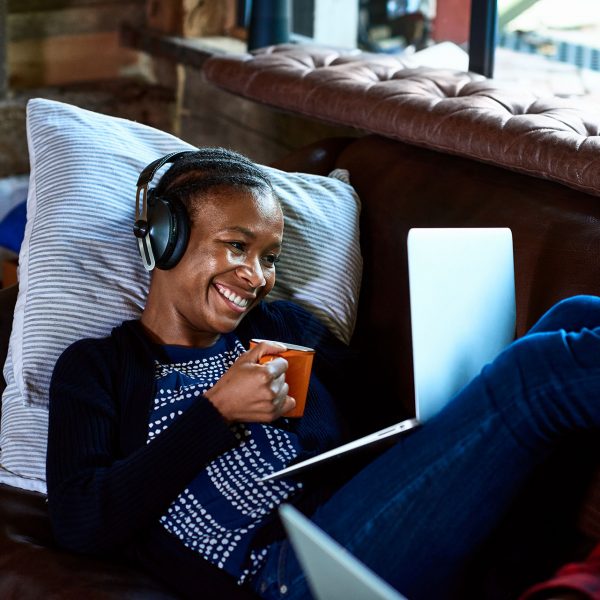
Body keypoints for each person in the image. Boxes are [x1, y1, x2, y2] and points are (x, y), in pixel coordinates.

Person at [46, 147, 600, 600]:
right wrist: (217, 412)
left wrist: (453, 396)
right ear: (165, 239)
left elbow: (380, 419)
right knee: (535, 376)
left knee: (573, 315)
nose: (256, 276)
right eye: (237, 246)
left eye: (269, 257)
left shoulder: (280, 330)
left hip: (356, 523)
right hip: (286, 576)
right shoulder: (99, 369)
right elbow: (80, 521)